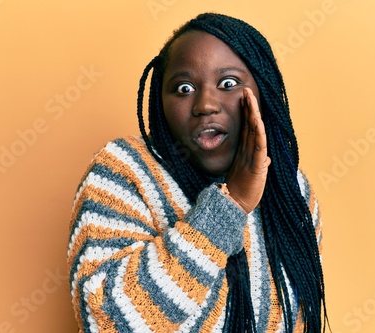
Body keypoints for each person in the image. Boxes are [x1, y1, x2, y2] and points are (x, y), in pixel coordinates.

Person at [67, 12, 329, 333]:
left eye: (228, 83)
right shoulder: (125, 170)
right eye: (184, 88)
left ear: (263, 91)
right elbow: (104, 321)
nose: (205, 104)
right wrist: (229, 205)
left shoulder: (293, 192)